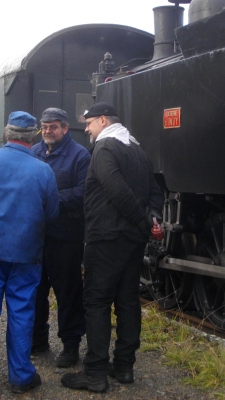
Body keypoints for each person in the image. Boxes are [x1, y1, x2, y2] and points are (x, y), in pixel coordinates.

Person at [61, 102, 164, 393]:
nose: (87, 130)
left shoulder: (105, 148)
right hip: (132, 242)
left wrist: (144, 221)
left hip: (106, 238)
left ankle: (95, 372)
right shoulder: (137, 150)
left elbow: (116, 190)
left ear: (103, 121)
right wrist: (151, 218)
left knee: (97, 302)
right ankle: (124, 366)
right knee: (128, 301)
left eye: (89, 123)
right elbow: (155, 192)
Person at [0, 111, 59, 395]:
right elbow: (52, 213)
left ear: (7, 134)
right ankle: (20, 376)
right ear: (32, 137)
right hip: (26, 253)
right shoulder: (43, 170)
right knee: (21, 314)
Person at [31, 108, 90, 368]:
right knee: (36, 291)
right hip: (36, 236)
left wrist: (51, 199)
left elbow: (84, 191)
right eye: (44, 126)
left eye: (53, 126)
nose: (48, 131)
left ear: (65, 128)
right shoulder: (34, 152)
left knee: (68, 293)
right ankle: (38, 340)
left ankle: (70, 345)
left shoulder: (80, 156)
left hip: (66, 236)